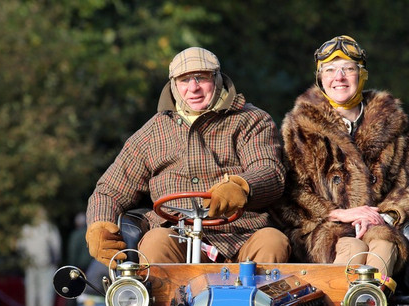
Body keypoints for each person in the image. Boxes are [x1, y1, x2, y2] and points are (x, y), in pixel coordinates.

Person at [85, 47, 289, 267]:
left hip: (242, 233)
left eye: (201, 78)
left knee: (273, 242)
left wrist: (241, 186)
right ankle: (163, 302)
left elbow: (269, 170)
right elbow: (109, 191)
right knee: (155, 243)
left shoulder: (251, 120)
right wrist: (99, 226)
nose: (193, 88)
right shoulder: (152, 132)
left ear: (218, 79)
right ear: (173, 86)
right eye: (184, 81)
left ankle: (255, 301)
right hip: (176, 235)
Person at [272, 35, 409, 276]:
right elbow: (291, 191)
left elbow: (408, 189)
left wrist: (382, 216)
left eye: (348, 69)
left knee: (383, 247)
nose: (338, 77)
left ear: (361, 75)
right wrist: (339, 213)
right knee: (352, 249)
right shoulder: (299, 125)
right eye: (330, 70)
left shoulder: (394, 122)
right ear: (320, 78)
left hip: (378, 225)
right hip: (325, 228)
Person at [17, 206, 62, 306]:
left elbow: (20, 247)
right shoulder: (49, 228)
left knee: (33, 291)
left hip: (32, 264)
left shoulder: (26, 229)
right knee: (44, 291)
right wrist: (56, 260)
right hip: (44, 263)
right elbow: (56, 247)